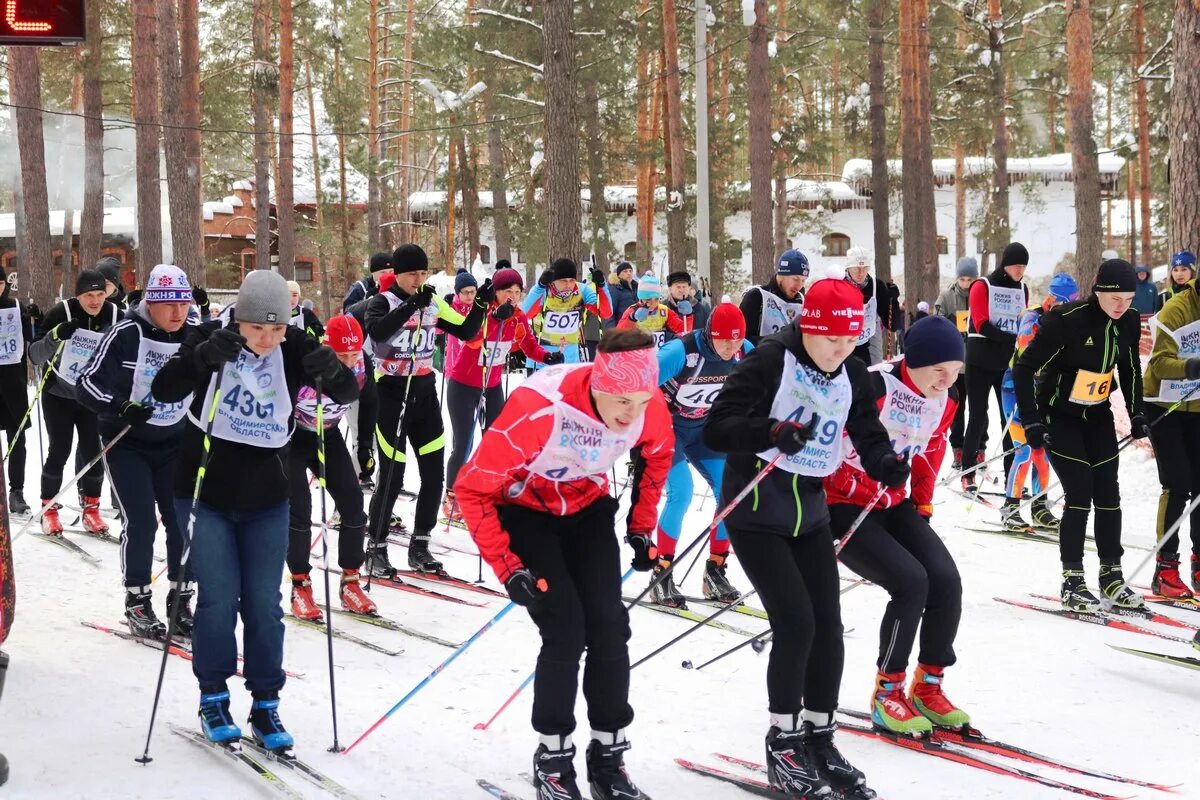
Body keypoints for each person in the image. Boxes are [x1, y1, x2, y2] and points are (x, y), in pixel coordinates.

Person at [705, 272, 907, 800]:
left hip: (810, 516)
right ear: (808, 328)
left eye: (850, 340)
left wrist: (883, 459)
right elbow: (718, 426)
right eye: (831, 339)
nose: (841, 350)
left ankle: (820, 735)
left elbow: (866, 427)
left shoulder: (854, 373)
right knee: (795, 623)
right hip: (756, 513)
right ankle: (784, 740)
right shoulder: (771, 360)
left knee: (829, 626)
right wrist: (769, 432)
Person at [456, 329, 673, 800]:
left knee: (610, 627)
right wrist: (508, 566)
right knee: (566, 628)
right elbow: (471, 489)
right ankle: (553, 759)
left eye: (641, 400)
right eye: (620, 400)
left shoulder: (646, 408)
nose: (630, 413)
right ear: (597, 381)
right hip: (525, 511)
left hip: (586, 507)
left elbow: (659, 457)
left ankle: (608, 757)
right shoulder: (538, 408)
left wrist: (640, 526)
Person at [151, 269, 359, 749]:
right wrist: (201, 359)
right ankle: (213, 697)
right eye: (257, 329)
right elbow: (164, 388)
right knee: (219, 599)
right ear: (239, 320)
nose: (267, 339)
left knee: (265, 605)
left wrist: (333, 370)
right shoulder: (211, 338)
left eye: (277, 329)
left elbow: (348, 393)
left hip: (268, 497)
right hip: (205, 493)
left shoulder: (295, 346)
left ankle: (266, 704)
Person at [824, 315, 965, 736]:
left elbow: (930, 451)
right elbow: (826, 445)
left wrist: (921, 502)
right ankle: (888, 692)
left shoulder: (947, 398)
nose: (945, 380)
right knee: (910, 582)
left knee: (945, 580)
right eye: (938, 370)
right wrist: (858, 482)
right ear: (914, 361)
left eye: (954, 371)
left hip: (893, 500)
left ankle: (929, 685)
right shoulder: (873, 386)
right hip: (842, 505)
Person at [1013, 259, 1147, 612]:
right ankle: (1072, 580)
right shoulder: (1067, 320)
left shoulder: (1129, 322)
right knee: (1080, 492)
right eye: (1115, 298)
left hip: (1097, 415)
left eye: (1129, 299)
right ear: (1099, 291)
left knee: (1108, 494)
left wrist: (1137, 414)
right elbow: (1024, 366)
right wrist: (1031, 419)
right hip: (1059, 416)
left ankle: (1111, 576)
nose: (1122, 306)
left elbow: (1131, 369)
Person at [77, 265, 197, 640]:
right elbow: (86, 382)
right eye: (169, 305)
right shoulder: (125, 333)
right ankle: (137, 600)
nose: (177, 313)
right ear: (151, 302)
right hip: (127, 443)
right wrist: (120, 405)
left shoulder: (194, 334)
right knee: (142, 521)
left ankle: (181, 600)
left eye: (183, 303)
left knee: (181, 520)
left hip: (174, 442)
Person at [364, 244, 488, 576]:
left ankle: (420, 546)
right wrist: (409, 306)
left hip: (423, 393)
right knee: (392, 476)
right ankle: (375, 548)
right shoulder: (382, 302)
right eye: (411, 274)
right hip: (390, 394)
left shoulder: (431, 302)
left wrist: (481, 304)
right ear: (398, 275)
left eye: (423, 273)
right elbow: (377, 331)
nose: (418, 279)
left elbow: (465, 330)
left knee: (433, 475)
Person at [651, 300, 752, 607]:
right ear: (710, 334)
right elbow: (636, 384)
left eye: (736, 339)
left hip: (704, 431)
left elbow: (771, 380)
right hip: (668, 429)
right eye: (724, 339)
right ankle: (661, 572)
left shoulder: (744, 350)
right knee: (682, 492)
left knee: (730, 491)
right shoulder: (680, 352)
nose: (730, 346)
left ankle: (715, 570)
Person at [441, 267, 562, 523]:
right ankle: (452, 497)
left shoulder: (518, 316)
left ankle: (486, 493)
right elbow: (472, 338)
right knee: (463, 443)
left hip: (493, 384)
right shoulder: (482, 311)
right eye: (508, 291)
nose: (514, 296)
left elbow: (528, 344)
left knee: (495, 443)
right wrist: (496, 317)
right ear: (496, 292)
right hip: (463, 384)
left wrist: (546, 356)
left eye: (518, 291)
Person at [286, 314, 377, 620]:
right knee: (300, 509)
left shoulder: (363, 361)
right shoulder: (310, 362)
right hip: (294, 438)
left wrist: (365, 446)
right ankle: (300, 585)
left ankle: (351, 581)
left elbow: (370, 402)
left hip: (330, 433)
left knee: (353, 504)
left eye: (354, 354)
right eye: (342, 356)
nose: (350, 362)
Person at [27, 268, 121, 535]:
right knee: (60, 449)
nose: (94, 301)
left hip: (92, 396)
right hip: (60, 394)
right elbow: (34, 355)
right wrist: (56, 335)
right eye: (88, 295)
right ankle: (49, 509)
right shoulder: (61, 313)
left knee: (94, 452)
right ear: (78, 296)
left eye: (100, 294)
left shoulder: (115, 315)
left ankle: (91, 509)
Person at [997, 273, 1077, 533]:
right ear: (1051, 299)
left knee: (1042, 452)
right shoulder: (1032, 318)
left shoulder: (1064, 322)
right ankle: (1011, 508)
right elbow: (1026, 357)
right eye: (1064, 303)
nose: (1067, 310)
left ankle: (1039, 506)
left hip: (1040, 392)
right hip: (1015, 389)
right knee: (1024, 451)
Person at [1142, 268, 1200, 598]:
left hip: (1197, 405)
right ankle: (1165, 569)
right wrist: (1193, 366)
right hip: (1164, 403)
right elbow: (1160, 364)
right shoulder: (1176, 309)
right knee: (1177, 484)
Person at [961, 242, 1030, 493]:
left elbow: (1023, 321)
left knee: (1009, 420)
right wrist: (1012, 338)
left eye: (1023, 266)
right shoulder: (982, 285)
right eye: (1016, 265)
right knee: (978, 416)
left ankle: (1013, 473)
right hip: (979, 361)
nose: (1020, 271)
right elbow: (980, 323)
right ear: (1005, 264)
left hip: (1006, 364)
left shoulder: (1023, 288)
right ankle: (967, 469)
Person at [522, 258, 612, 368]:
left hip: (571, 360)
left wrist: (602, 285)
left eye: (571, 280)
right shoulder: (544, 291)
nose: (568, 284)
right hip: (542, 360)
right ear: (553, 280)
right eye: (563, 281)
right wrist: (539, 286)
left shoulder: (582, 290)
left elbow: (606, 312)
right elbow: (525, 314)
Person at [936, 257, 980, 470]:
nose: (965, 284)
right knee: (958, 408)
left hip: (977, 361)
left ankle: (979, 449)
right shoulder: (946, 296)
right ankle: (958, 449)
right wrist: (952, 323)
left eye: (970, 279)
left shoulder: (982, 294)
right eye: (962, 279)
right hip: (956, 363)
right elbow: (937, 322)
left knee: (979, 408)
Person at [0, 265, 32, 516]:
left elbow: (30, 338)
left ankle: (16, 491)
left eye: (1, 283)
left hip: (13, 383)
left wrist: (35, 318)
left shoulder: (16, 306)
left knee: (17, 438)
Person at [740, 249, 808, 347]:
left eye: (803, 280)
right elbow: (742, 340)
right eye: (795, 279)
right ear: (782, 275)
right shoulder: (757, 296)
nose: (799, 286)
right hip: (761, 360)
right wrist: (779, 343)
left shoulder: (802, 300)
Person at [844, 247, 898, 367]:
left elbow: (892, 325)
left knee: (871, 372)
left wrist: (893, 301)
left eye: (865, 268)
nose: (861, 273)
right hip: (843, 343)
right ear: (848, 268)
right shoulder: (839, 283)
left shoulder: (876, 285)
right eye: (857, 268)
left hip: (867, 341)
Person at [616, 273, 685, 347]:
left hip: (659, 354)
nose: (653, 302)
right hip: (639, 353)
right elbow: (619, 336)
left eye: (656, 299)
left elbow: (683, 330)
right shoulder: (632, 310)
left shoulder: (664, 310)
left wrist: (687, 316)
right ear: (641, 298)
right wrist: (632, 318)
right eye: (648, 299)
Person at [605, 262, 639, 327]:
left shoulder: (636, 288)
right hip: (621, 330)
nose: (629, 273)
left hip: (636, 330)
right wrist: (613, 333)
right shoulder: (614, 288)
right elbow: (610, 314)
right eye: (625, 271)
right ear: (619, 274)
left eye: (630, 271)